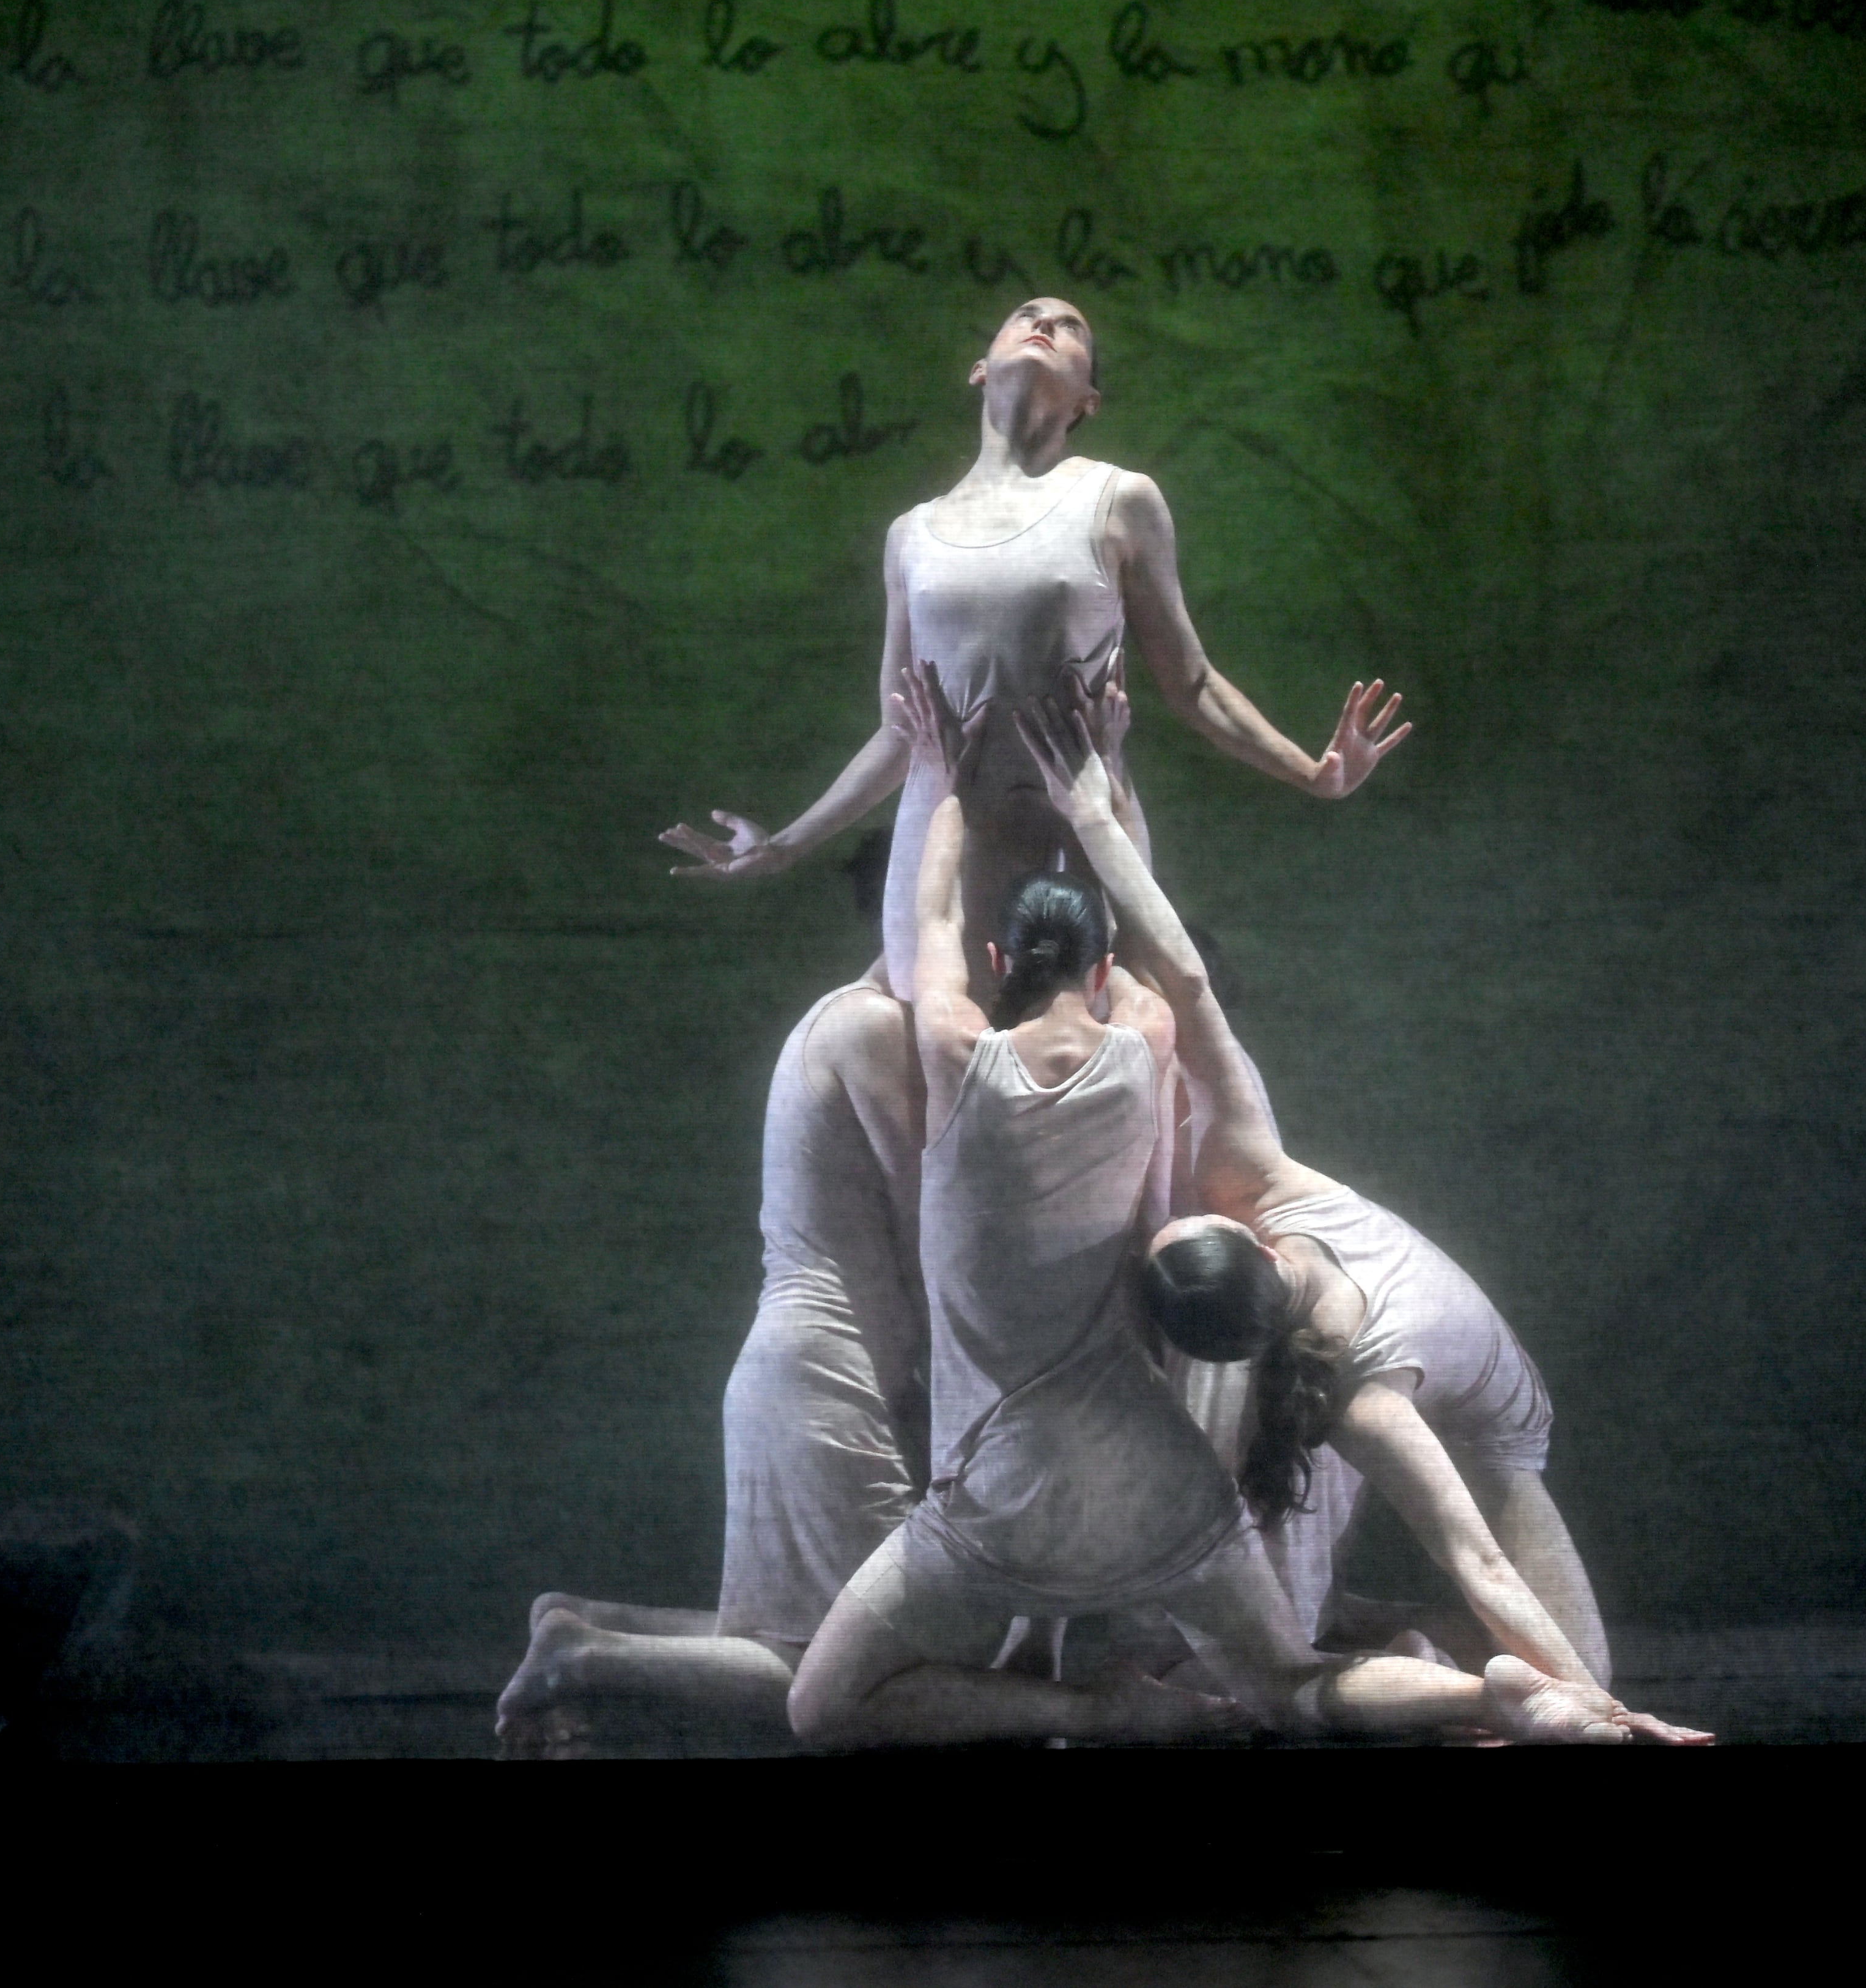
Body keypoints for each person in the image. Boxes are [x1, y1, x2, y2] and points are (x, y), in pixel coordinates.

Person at [781, 670, 1644, 1748]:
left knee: (823, 1704)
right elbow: (1172, 968)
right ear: (1105, 970)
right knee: (1287, 1682)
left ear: (999, 963)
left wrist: (936, 776)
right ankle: (1488, 1696)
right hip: (1164, 1485)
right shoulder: (1146, 1047)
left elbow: (930, 920)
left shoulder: (955, 1058)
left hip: (1008, 1491)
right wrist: (1102, 791)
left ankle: (1096, 1715)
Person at [1012, 694, 1710, 1742]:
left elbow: (1175, 973)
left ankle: (1347, 1627)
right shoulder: (1333, 1362)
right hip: (1392, 1377)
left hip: (1491, 1408)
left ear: (1253, 1237)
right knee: (1349, 1637)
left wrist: (1102, 804)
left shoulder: (1247, 1178)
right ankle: (1332, 1632)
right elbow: (1472, 1557)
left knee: (1555, 1656)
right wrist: (1605, 1712)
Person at [659, 296, 1413, 1007]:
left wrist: (1312, 772)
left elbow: (1191, 683)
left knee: (1089, 1049)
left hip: (1077, 828)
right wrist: (784, 846)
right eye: (1026, 315)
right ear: (979, 369)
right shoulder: (911, 535)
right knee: (947, 1050)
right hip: (947, 832)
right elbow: (899, 730)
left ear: (1088, 400)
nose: (1045, 324)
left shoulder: (1119, 501)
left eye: (1070, 326)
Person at [496, 969, 928, 1753]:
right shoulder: (871, 1029)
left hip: (807, 1378)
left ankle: (589, 1627)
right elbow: (932, 1231)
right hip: (830, 1384)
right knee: (847, 1679)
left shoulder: (845, 1020)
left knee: (791, 1646)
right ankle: (584, 1655)